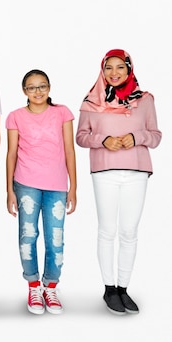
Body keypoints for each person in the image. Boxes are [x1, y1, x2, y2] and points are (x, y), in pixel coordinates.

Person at [76, 49, 161, 315]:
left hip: (136, 170)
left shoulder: (145, 100)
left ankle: (124, 288)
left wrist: (136, 138)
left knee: (129, 231)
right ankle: (109, 288)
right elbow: (81, 136)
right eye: (108, 68)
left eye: (120, 68)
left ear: (129, 69)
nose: (114, 73)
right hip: (105, 170)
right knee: (107, 230)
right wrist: (103, 140)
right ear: (102, 70)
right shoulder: (91, 101)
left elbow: (156, 136)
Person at [5, 69, 77, 315]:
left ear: (49, 88)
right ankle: (34, 285)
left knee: (55, 239)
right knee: (28, 236)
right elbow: (11, 154)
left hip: (56, 185)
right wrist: (9, 191)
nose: (38, 91)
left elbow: (69, 150)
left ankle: (51, 287)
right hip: (25, 183)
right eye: (32, 87)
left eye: (42, 86)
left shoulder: (62, 113)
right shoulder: (15, 117)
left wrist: (73, 187)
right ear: (24, 91)